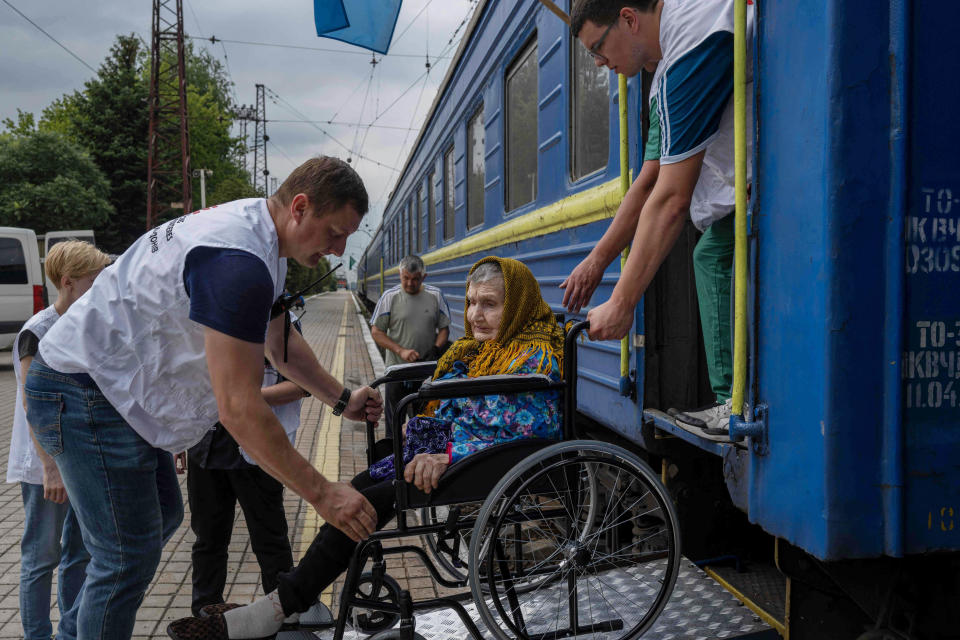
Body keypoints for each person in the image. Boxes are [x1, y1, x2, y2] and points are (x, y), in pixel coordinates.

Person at [24, 156, 383, 640]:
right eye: (336, 234)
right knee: (126, 557)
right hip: (82, 389)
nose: (339, 250)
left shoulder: (261, 243)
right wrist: (324, 495)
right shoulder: (237, 260)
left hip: (109, 391)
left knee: (159, 520)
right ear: (300, 207)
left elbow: (280, 346)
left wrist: (341, 398)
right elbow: (238, 409)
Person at [165, 256, 566, 640]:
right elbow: (443, 409)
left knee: (365, 504)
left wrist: (442, 452)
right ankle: (293, 599)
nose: (475, 314)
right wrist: (429, 444)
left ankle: (280, 606)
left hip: (487, 462)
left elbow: (516, 428)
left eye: (490, 305)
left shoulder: (534, 356)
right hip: (454, 456)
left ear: (517, 305)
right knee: (356, 489)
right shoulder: (476, 352)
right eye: (472, 302)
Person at [565, 0, 754, 432]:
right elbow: (648, 181)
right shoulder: (668, 72)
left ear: (629, 19)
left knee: (713, 257)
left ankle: (734, 404)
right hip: (742, 190)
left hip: (756, 189)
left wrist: (622, 303)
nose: (598, 63)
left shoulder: (689, 45)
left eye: (599, 46)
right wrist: (598, 260)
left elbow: (670, 200)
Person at [6, 241, 109, 640]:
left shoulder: (87, 323)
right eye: (93, 281)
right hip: (45, 466)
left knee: (80, 553)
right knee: (40, 557)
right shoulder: (38, 331)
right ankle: (37, 636)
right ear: (68, 283)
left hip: (80, 461)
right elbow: (35, 407)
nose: (100, 289)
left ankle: (71, 631)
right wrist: (50, 468)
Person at [185, 313, 308, 618]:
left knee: (270, 542)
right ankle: (204, 616)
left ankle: (284, 617)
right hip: (206, 448)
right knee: (207, 542)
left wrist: (246, 399)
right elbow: (185, 380)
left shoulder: (280, 321)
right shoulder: (203, 316)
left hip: (257, 450)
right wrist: (180, 435)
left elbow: (302, 384)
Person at [370, 254, 451, 366]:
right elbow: (376, 332)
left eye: (415, 279)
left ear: (424, 277)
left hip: (426, 367)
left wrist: (436, 348)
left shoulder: (436, 295)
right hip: (396, 368)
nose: (410, 284)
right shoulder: (389, 297)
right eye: (406, 278)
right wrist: (400, 351)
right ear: (400, 275)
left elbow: (444, 329)